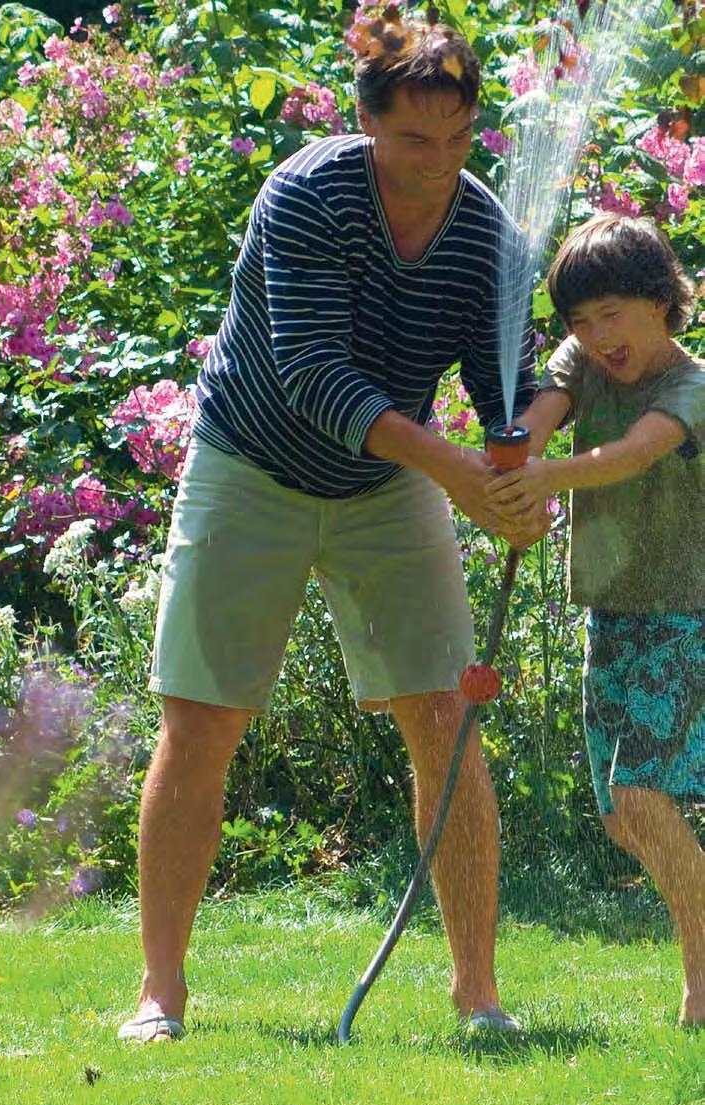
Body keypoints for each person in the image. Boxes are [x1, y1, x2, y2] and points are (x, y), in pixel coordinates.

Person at [118, 18, 547, 1042]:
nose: (439, 164)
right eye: (414, 142)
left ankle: (479, 996)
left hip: (388, 482)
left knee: (446, 717)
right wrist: (459, 473)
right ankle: (160, 997)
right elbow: (314, 376)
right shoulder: (308, 195)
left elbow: (505, 389)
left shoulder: (487, 232)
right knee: (202, 720)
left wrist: (517, 462)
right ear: (365, 126)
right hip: (252, 462)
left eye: (458, 140)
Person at [487, 212, 704, 1026]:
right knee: (621, 821)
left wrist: (542, 475)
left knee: (640, 796)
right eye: (580, 321)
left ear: (658, 299)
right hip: (612, 615)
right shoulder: (584, 359)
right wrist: (514, 457)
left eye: (611, 313)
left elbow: (629, 455)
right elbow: (542, 413)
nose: (595, 335)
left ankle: (701, 979)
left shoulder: (688, 386)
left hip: (685, 616)